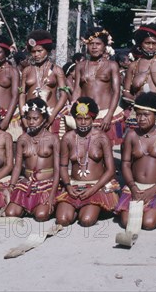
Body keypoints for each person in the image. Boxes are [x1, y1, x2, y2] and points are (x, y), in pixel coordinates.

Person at [56, 97, 119, 227]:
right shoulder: (68, 138)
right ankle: (75, 209)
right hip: (74, 185)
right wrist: (68, 186)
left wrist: (94, 189)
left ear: (93, 119)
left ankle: (92, 208)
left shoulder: (102, 138)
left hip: (96, 186)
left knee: (86, 220)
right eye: (79, 119)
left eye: (87, 119)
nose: (83, 122)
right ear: (74, 119)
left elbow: (111, 170)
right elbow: (62, 166)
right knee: (62, 219)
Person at [116, 92, 156, 230]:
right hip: (135, 187)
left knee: (149, 223)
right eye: (138, 114)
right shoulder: (131, 136)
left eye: (146, 115)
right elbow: (126, 164)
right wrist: (133, 187)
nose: (141, 118)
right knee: (126, 222)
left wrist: (153, 190)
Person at [5, 98, 60, 221]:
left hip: (47, 185)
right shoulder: (22, 139)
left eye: (35, 119)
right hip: (27, 183)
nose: (31, 122)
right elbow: (18, 167)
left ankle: (38, 207)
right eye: (28, 118)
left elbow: (58, 170)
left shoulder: (53, 139)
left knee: (41, 215)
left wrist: (51, 196)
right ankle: (27, 205)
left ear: (44, 119)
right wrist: (11, 186)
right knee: (10, 213)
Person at [72, 27, 123, 145]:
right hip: (85, 113)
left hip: (106, 112)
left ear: (105, 46)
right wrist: (74, 111)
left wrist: (109, 115)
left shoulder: (112, 65)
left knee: (107, 149)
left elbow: (116, 92)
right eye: (91, 44)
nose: (94, 47)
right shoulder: (80, 66)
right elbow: (77, 90)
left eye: (98, 44)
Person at [123, 24, 156, 132]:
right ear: (140, 44)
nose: (151, 47)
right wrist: (137, 101)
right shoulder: (133, 66)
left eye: (154, 43)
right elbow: (126, 91)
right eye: (147, 43)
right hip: (139, 112)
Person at [19, 30, 69, 136]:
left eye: (39, 51)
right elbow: (22, 94)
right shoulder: (27, 71)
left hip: (51, 114)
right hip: (30, 117)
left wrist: (51, 117)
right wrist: (23, 117)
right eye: (33, 51)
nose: (36, 54)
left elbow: (64, 96)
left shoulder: (57, 70)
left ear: (47, 50)